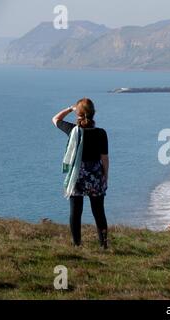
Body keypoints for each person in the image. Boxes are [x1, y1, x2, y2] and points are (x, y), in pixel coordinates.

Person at [52, 98, 109, 249]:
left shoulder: (73, 131)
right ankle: (103, 245)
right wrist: (105, 176)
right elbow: (104, 158)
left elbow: (56, 119)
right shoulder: (101, 133)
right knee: (99, 212)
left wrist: (70, 108)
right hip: (95, 175)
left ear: (78, 114)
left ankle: (77, 244)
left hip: (77, 175)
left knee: (76, 212)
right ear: (93, 113)